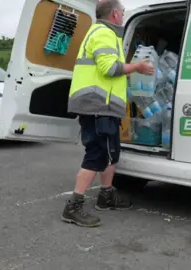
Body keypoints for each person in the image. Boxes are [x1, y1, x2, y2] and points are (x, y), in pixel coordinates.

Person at [61, 0, 155, 227]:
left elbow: (108, 70)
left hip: (105, 106)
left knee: (111, 152)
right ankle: (73, 207)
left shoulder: (106, 34)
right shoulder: (103, 34)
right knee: (97, 154)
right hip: (96, 105)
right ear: (114, 14)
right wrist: (137, 67)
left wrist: (130, 73)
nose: (123, 15)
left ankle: (106, 195)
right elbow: (110, 69)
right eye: (122, 12)